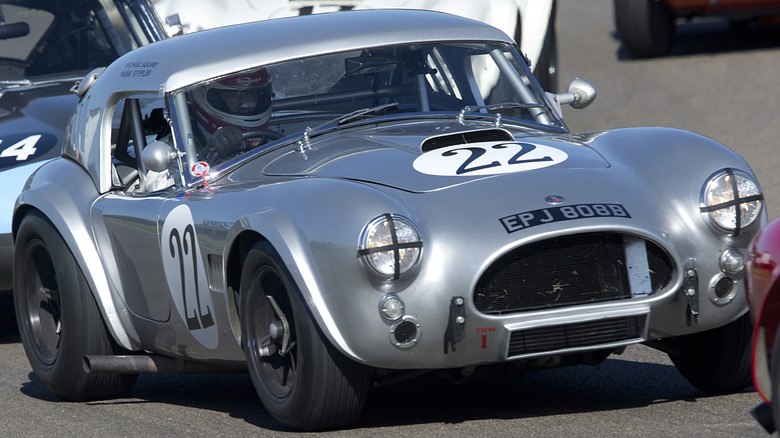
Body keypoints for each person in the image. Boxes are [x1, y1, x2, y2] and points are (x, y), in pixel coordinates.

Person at [190, 67, 274, 164]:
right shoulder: (182, 143)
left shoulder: (282, 125)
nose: (245, 103)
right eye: (233, 96)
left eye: (250, 94)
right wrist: (207, 155)